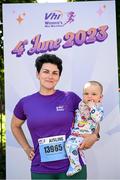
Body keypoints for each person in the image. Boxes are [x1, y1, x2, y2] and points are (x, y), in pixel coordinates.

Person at [11, 54, 100, 180]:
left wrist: (94, 136)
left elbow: (92, 117)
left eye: (55, 73)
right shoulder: (25, 103)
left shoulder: (70, 97)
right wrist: (26, 148)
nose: (50, 76)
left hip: (73, 167)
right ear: (38, 74)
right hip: (40, 169)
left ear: (59, 77)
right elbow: (15, 126)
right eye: (46, 72)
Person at [65, 81, 104, 176]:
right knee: (68, 145)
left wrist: (92, 107)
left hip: (86, 135)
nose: (89, 96)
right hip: (76, 134)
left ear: (100, 97)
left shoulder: (99, 108)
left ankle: (75, 166)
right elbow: (82, 116)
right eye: (86, 94)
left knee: (72, 146)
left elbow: (97, 119)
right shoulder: (81, 105)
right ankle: (76, 165)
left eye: (94, 94)